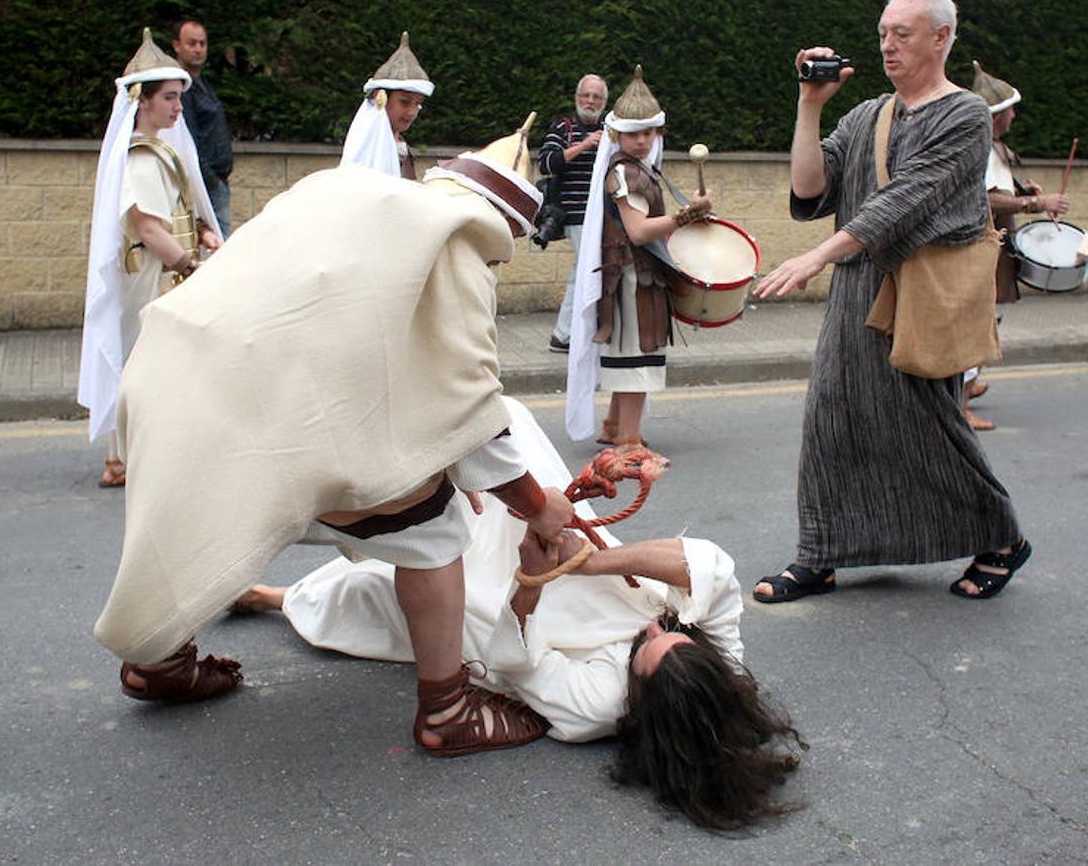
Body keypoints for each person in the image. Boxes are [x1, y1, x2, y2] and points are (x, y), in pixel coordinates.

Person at [92, 116, 575, 759]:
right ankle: (448, 709)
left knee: (190, 518)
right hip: (274, 411)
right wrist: (539, 506)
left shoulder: (348, 197)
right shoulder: (456, 248)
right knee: (435, 534)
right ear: (501, 224)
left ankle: (156, 661)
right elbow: (468, 401)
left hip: (167, 370)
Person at [235, 396, 804, 829]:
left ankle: (270, 595)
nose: (654, 625)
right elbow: (708, 564)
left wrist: (532, 578)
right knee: (496, 418)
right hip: (571, 559)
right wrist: (586, 565)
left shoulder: (595, 710)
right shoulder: (720, 663)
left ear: (641, 704)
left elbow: (515, 660)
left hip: (509, 605)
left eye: (646, 644)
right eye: (668, 630)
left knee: (384, 593)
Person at [751, 0, 1030, 603]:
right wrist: (809, 105)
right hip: (857, 290)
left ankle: (1003, 538)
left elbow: (903, 203)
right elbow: (810, 189)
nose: (887, 45)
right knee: (830, 417)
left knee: (928, 425)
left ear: (941, 38)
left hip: (919, 293)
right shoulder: (868, 114)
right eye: (883, 33)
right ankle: (819, 554)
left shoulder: (964, 117)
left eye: (902, 33)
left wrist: (819, 255)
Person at [77, 28, 223, 488]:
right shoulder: (139, 158)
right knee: (145, 365)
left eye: (179, 97)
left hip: (163, 275)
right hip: (150, 278)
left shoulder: (160, 151)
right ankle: (124, 459)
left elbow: (177, 207)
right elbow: (148, 228)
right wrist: (190, 266)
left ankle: (134, 456)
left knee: (154, 364)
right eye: (169, 98)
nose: (178, 106)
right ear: (142, 101)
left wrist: (202, 231)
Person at [565, 66, 713, 446]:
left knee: (636, 356)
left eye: (648, 132)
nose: (642, 140)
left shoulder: (639, 170)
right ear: (617, 135)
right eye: (633, 133)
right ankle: (627, 445)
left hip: (638, 277)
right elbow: (638, 231)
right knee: (634, 363)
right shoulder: (627, 174)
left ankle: (615, 427)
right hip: (631, 280)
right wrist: (686, 215)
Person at [962, 61, 1071, 431]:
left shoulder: (992, 148)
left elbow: (1000, 190)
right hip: (981, 248)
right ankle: (960, 405)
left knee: (986, 319)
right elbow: (985, 200)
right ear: (995, 116)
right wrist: (1037, 204)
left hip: (990, 247)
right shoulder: (984, 150)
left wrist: (1025, 192)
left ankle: (969, 384)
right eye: (1009, 108)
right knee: (978, 323)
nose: (1014, 114)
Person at [539, 74, 608, 353]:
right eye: (586, 95)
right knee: (587, 269)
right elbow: (546, 163)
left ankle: (573, 332)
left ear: (604, 102)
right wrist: (584, 145)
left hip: (603, 214)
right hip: (575, 214)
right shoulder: (562, 127)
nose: (590, 102)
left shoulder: (610, 128)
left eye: (597, 97)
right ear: (576, 98)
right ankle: (565, 334)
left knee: (585, 270)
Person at [340, 32, 434, 179]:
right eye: (404, 102)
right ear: (380, 97)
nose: (411, 112)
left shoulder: (402, 148)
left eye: (417, 104)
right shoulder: (363, 148)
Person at [172, 19, 233, 236]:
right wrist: (210, 180)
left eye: (202, 43)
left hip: (218, 180)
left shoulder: (201, 82)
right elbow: (187, 138)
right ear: (177, 45)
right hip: (207, 183)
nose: (198, 49)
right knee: (218, 249)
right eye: (192, 43)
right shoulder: (182, 89)